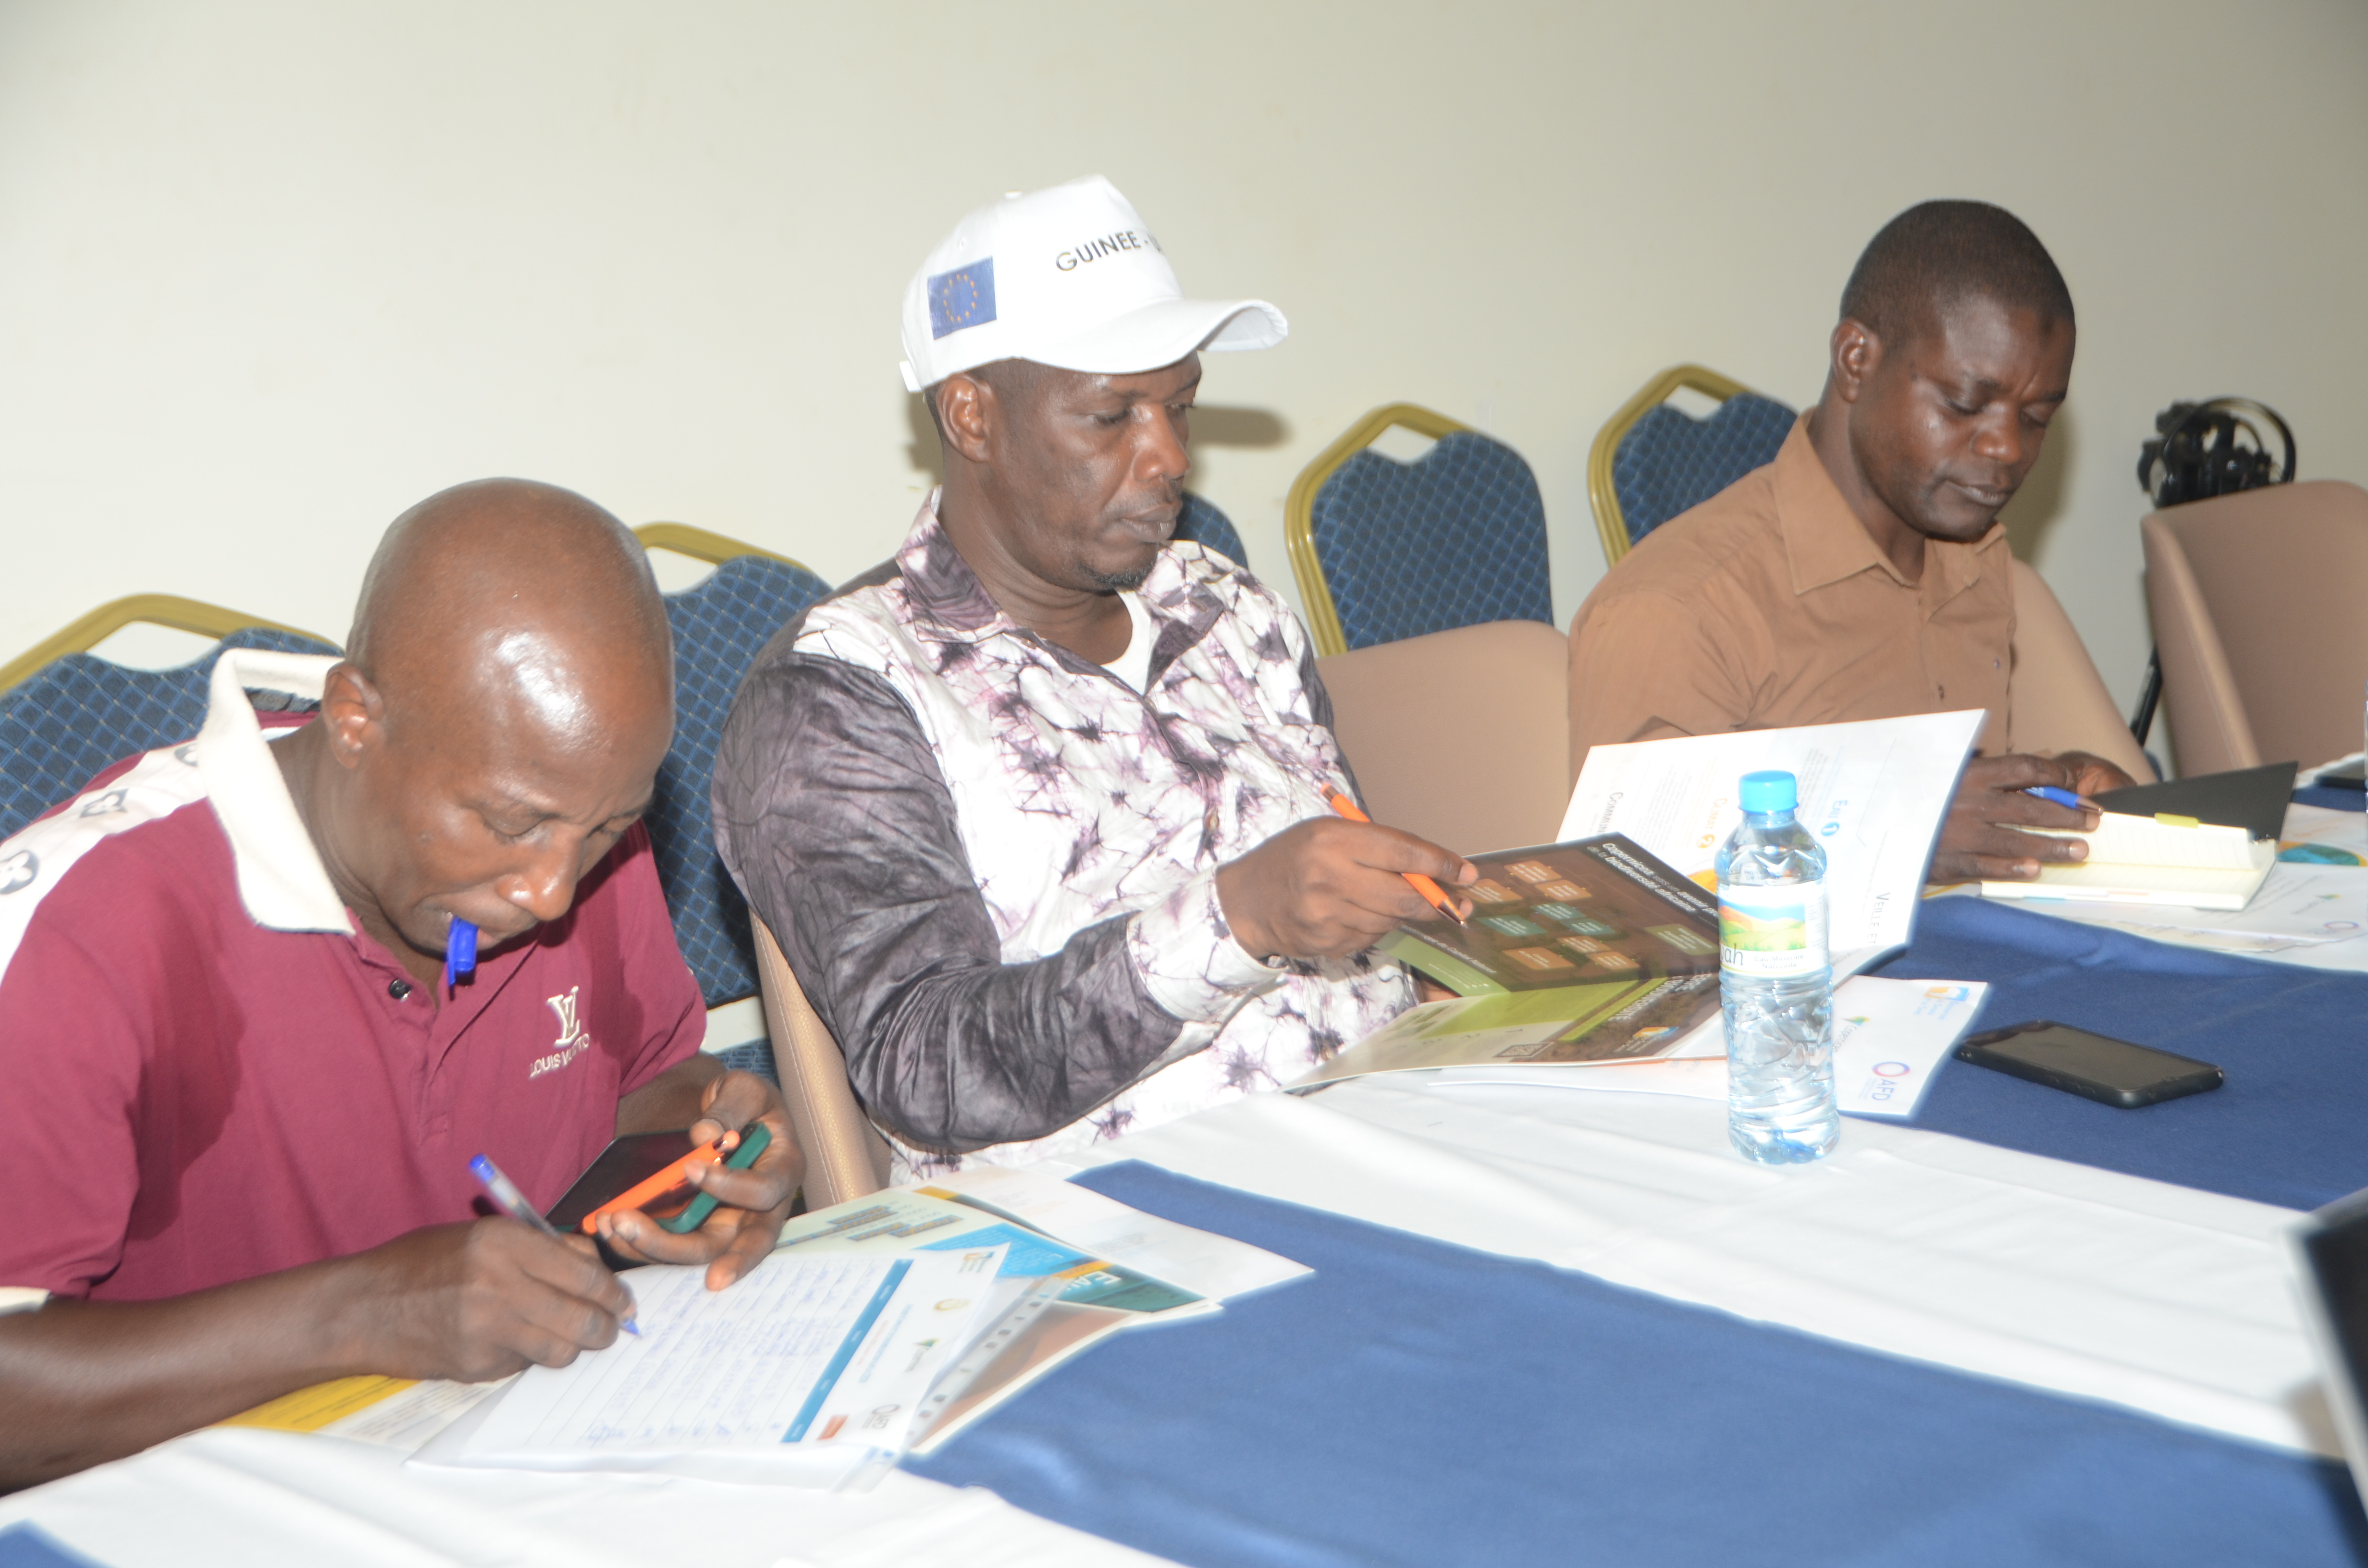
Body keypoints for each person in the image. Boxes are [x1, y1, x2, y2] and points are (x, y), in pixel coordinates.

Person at [0, 480, 802, 1487]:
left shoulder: (574, 825)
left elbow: (640, 1084)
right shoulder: (85, 933)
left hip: (527, 1464)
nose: (555, 891)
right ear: (353, 720)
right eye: (509, 824)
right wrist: (363, 1314)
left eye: (601, 828)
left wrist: (707, 1147)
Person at [713, 175, 1473, 1178]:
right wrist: (1233, 921)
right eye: (1112, 416)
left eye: (1180, 408)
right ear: (973, 417)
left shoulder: (1224, 609)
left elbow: (1369, 930)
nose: (1168, 457)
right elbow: (926, 1065)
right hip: (1123, 1229)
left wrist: (1470, 959)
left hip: (1409, 1138)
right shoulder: (841, 695)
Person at [1566, 200, 2137, 883]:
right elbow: (1632, 902)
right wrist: (1895, 834)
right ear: (1857, 360)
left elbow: (1946, 803)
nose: (2007, 448)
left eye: (2038, 417)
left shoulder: (1973, 558)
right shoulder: (1678, 609)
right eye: (1963, 404)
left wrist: (2049, 790)